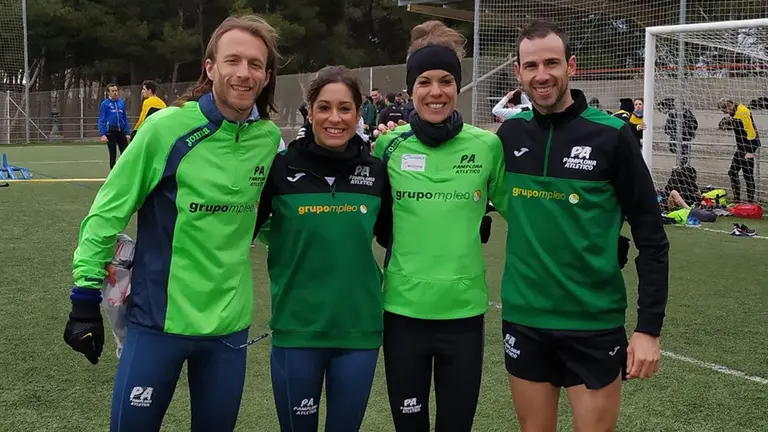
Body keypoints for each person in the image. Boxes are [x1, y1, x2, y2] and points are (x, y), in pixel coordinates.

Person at [63, 14, 283, 432]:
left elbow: (267, 218)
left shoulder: (268, 139)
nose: (244, 72)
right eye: (233, 60)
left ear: (266, 75)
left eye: (255, 64)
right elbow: (108, 211)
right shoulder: (167, 129)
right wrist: (83, 298)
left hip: (228, 330)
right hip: (157, 321)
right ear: (210, 66)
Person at [495, 20, 670, 432]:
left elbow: (651, 236)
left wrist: (649, 329)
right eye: (531, 65)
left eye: (552, 62)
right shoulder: (508, 135)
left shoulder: (611, 135)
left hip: (592, 322)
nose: (542, 75)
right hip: (524, 318)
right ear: (518, 73)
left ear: (571, 66)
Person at [372, 20, 508, 431]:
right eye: (425, 82)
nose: (436, 91)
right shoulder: (386, 145)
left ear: (458, 86)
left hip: (463, 313)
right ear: (411, 89)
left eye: (446, 81)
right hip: (403, 312)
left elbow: (521, 209)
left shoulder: (486, 146)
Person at [254, 65, 391, 432]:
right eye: (325, 107)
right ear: (309, 110)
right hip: (296, 330)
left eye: (345, 108)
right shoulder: (280, 170)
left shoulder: (376, 173)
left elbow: (394, 237)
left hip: (358, 332)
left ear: (358, 113)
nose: (335, 118)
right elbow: (240, 227)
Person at [717, 97, 762, 203]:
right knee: (732, 172)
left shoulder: (743, 112)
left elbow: (751, 132)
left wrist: (750, 151)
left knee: (747, 175)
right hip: (741, 148)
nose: (725, 113)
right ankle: (737, 200)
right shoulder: (736, 113)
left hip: (748, 148)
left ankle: (750, 202)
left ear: (728, 106)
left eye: (724, 111)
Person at [98, 83, 131, 169]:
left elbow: (125, 118)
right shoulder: (105, 104)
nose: (115, 93)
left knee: (125, 154)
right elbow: (101, 120)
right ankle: (113, 175)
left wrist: (127, 133)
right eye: (112, 91)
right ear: (108, 93)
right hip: (110, 133)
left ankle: (126, 172)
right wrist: (103, 134)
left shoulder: (121, 103)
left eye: (116, 90)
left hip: (121, 132)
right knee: (113, 155)